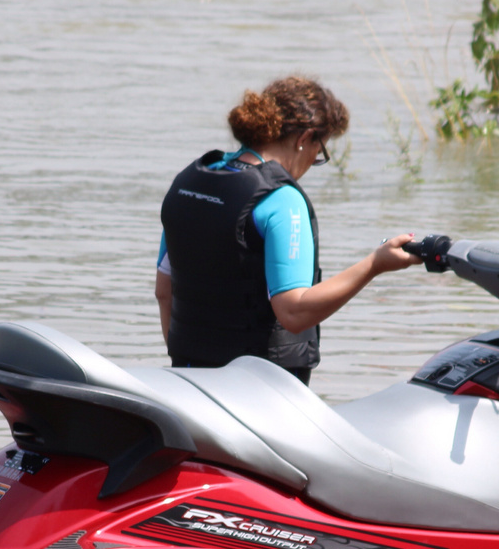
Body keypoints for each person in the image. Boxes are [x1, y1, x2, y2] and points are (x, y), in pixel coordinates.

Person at [155, 76, 422, 383]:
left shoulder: (188, 182)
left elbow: (164, 292)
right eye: (319, 152)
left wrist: (190, 363)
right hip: (260, 393)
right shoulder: (281, 200)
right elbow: (294, 312)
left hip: (188, 383)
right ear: (305, 137)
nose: (313, 161)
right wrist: (375, 264)